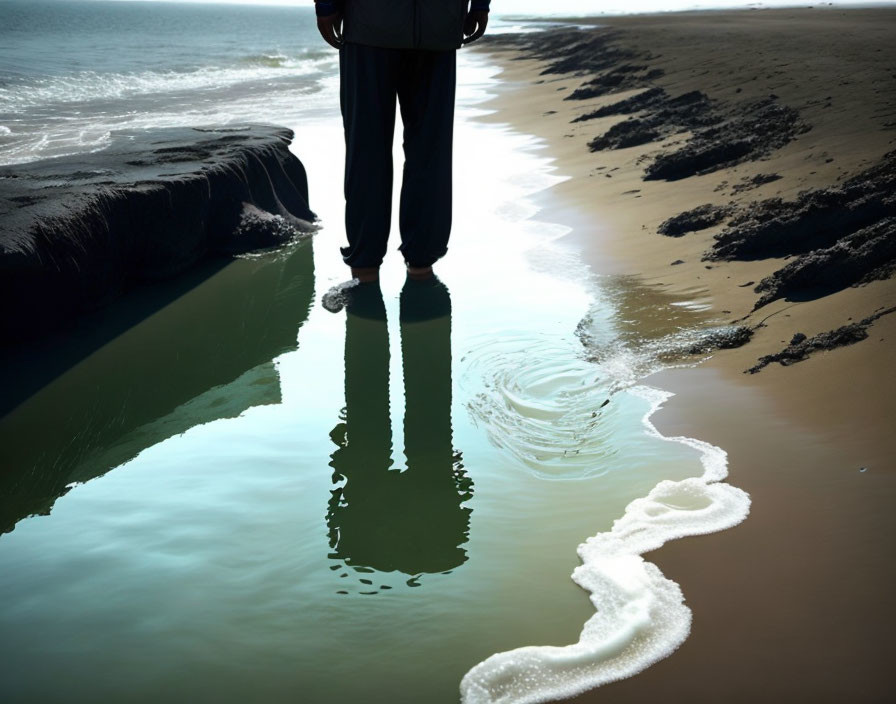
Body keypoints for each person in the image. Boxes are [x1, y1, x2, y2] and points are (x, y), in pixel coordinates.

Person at [314, 0, 491, 283]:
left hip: (395, 26)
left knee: (380, 150)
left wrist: (325, 6)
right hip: (420, 25)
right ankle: (395, 266)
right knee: (416, 151)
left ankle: (380, 267)